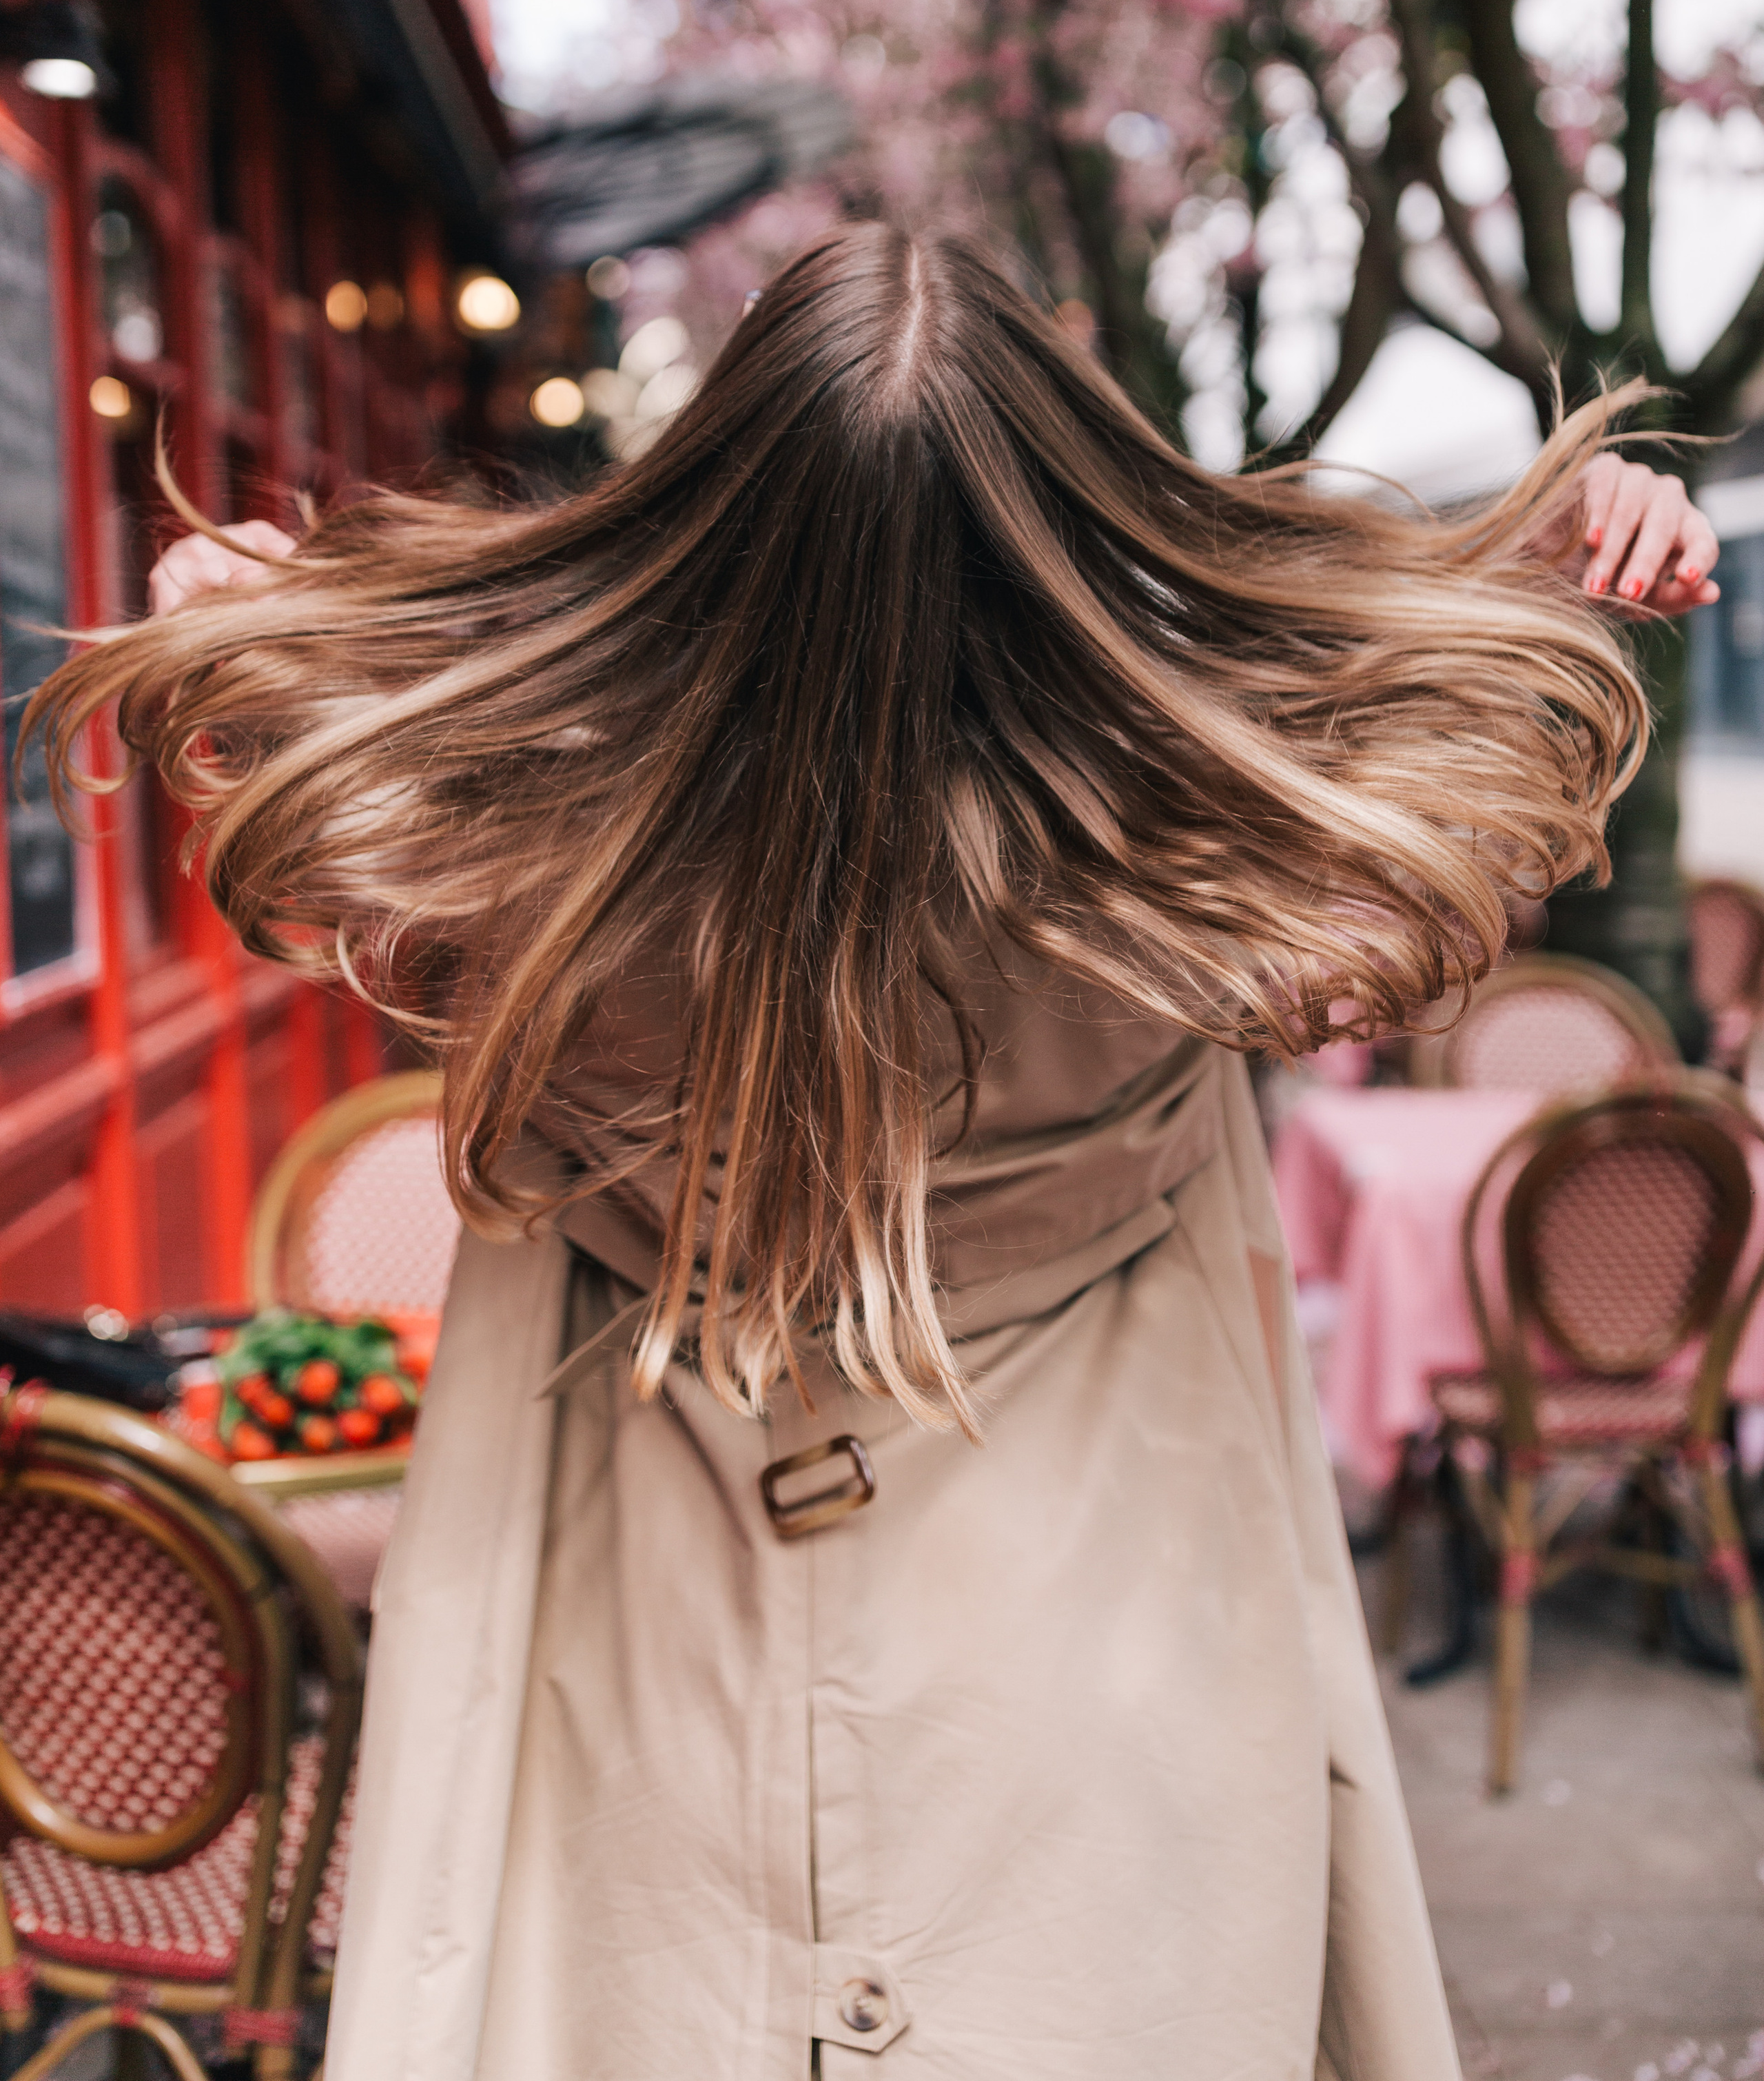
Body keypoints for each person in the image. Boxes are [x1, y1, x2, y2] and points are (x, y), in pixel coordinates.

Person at [34, 225, 1717, 2080]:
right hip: (1113, 1667)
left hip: (655, 1673)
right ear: (1077, 559)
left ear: (698, 546)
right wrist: (1540, 577)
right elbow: (1454, 819)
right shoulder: (1212, 895)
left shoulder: (529, 888)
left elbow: (293, 751)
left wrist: (242, 626)